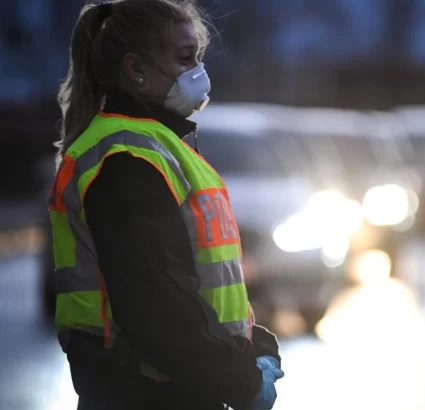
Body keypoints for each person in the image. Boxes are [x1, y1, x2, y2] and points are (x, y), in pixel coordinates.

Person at [47, 1, 284, 409]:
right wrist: (240, 380)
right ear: (136, 69)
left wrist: (253, 345)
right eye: (184, 58)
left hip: (173, 389)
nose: (198, 72)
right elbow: (156, 306)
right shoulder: (125, 159)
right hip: (145, 392)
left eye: (198, 57)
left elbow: (198, 285)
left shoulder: (158, 145)